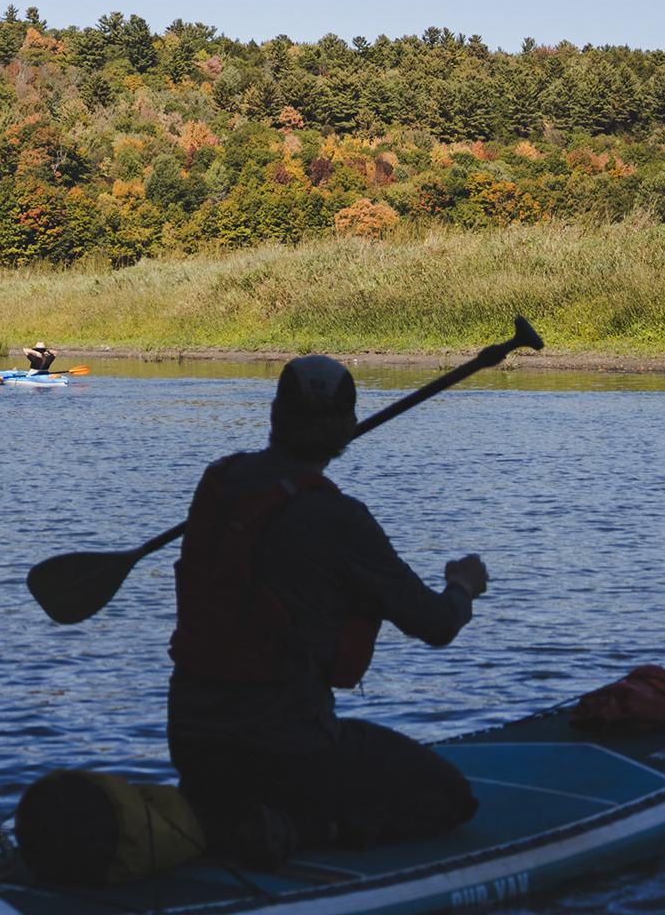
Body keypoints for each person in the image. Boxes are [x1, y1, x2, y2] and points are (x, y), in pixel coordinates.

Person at [166, 355, 485, 869]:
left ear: (274, 415)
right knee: (450, 795)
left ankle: (227, 818)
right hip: (286, 754)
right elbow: (436, 624)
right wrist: (461, 587)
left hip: (192, 748)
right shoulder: (341, 520)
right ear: (347, 428)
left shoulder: (219, 482)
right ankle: (307, 829)